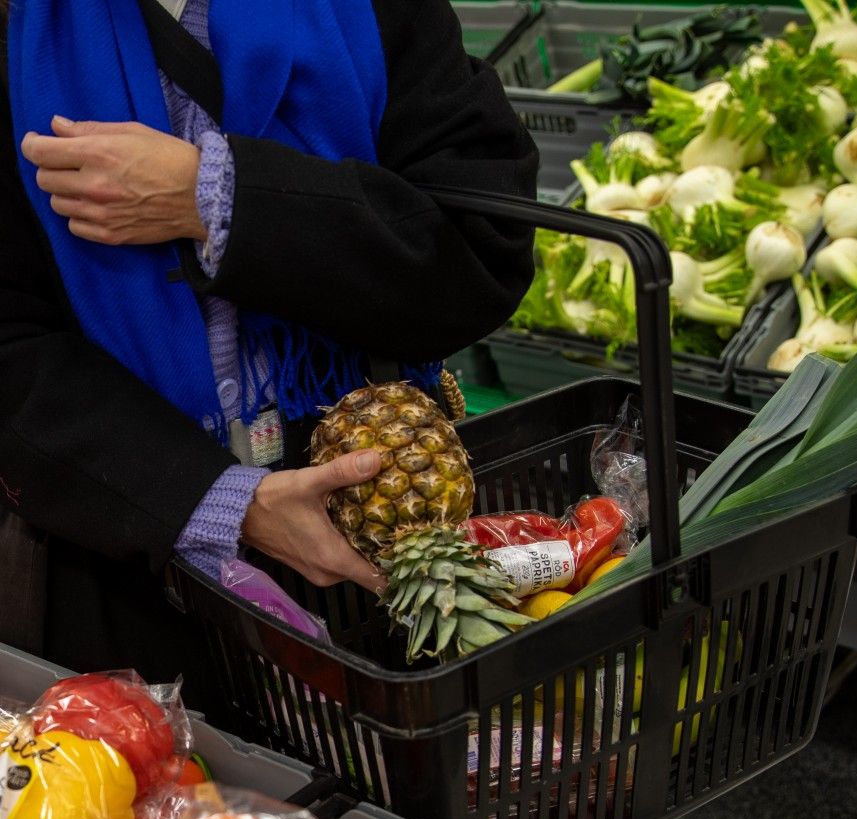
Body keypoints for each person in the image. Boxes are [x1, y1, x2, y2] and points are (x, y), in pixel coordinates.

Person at [0, 0, 538, 712]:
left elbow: (479, 249)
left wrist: (216, 200)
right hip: (129, 568)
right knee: (175, 809)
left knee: (399, 810)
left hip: (384, 532)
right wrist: (219, 500)